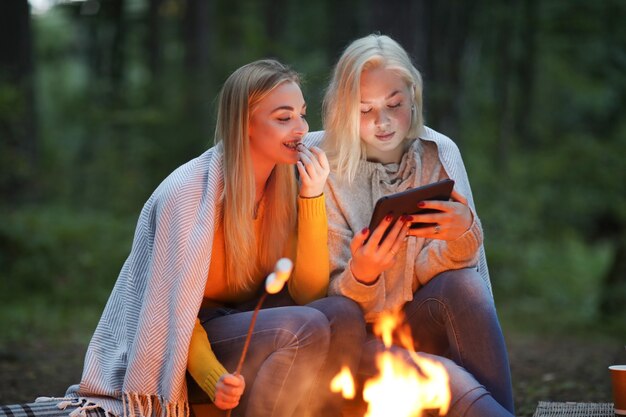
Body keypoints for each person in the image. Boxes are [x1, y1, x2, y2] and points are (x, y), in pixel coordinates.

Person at [1, 59, 365, 417]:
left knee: (343, 313)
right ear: (244, 125)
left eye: (302, 114)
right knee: (305, 326)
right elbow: (170, 314)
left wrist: (312, 197)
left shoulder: (288, 182)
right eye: (284, 118)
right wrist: (213, 378)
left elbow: (309, 293)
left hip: (253, 323)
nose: (300, 128)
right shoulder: (188, 194)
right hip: (185, 343)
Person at [317, 33, 516, 417]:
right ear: (344, 108)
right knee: (450, 378)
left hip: (418, 319)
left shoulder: (435, 154)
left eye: (394, 104)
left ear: (413, 96)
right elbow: (323, 297)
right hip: (355, 340)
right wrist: (364, 273)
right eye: (365, 110)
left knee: (465, 285)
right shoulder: (324, 173)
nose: (383, 121)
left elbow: (438, 272)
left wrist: (463, 235)